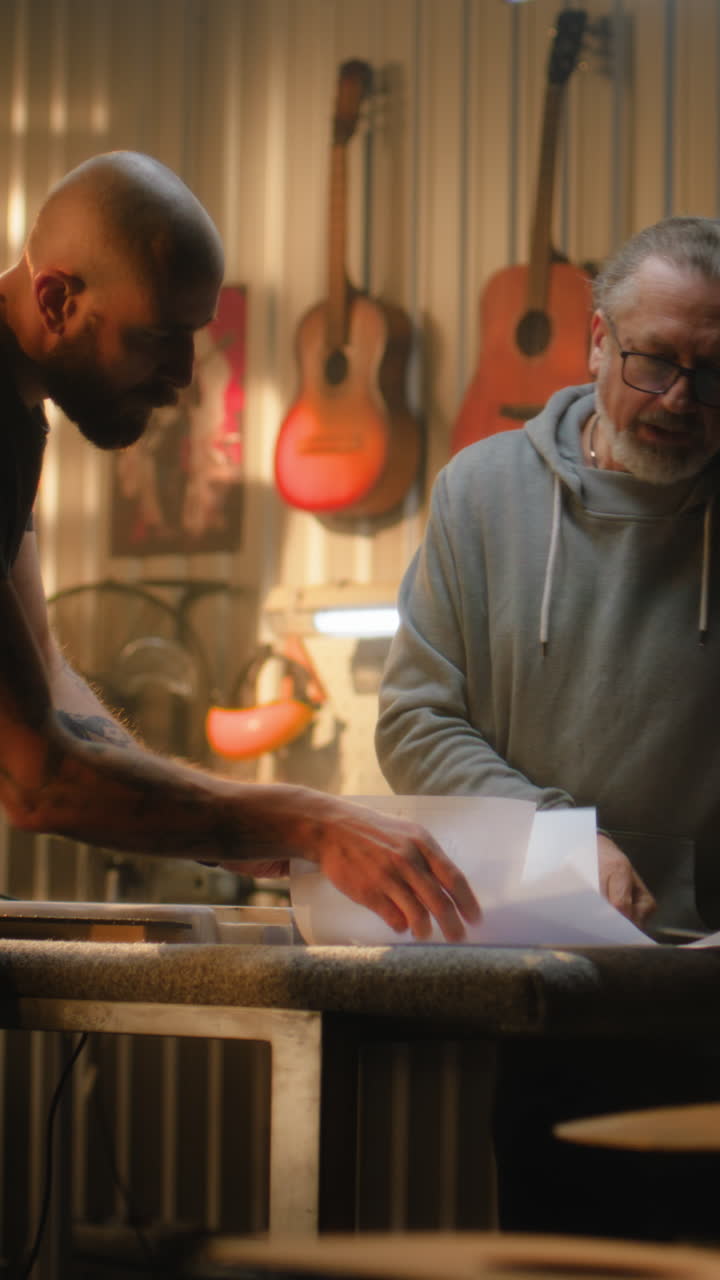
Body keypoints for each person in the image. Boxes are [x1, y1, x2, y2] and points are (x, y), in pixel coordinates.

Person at [0, 149, 480, 944]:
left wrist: (248, 830)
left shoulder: (18, 415)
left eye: (195, 336)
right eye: (159, 337)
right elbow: (35, 781)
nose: (186, 374)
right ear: (57, 297)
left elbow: (44, 681)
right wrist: (307, 820)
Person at [376, 216, 720, 1241]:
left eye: (712, 372)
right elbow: (416, 719)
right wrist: (564, 837)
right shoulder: (480, 494)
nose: (680, 399)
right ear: (596, 341)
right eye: (655, 359)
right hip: (549, 980)